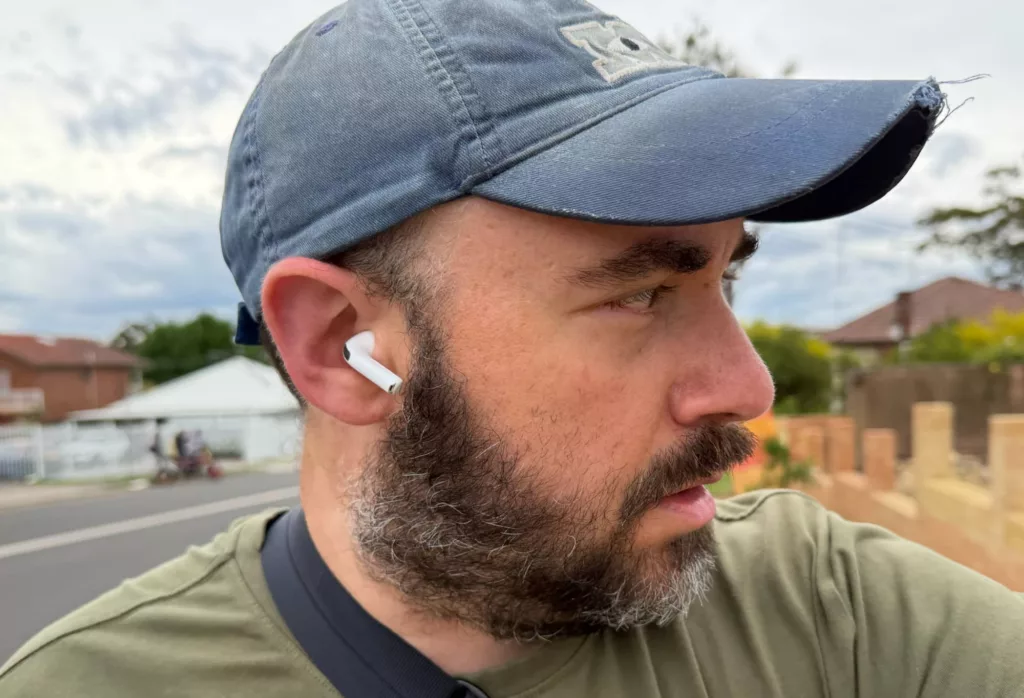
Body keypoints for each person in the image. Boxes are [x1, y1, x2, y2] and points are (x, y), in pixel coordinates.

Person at [2, 0, 1022, 696]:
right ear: (341, 344)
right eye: (641, 292)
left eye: (725, 279)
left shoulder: (832, 611)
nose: (746, 386)